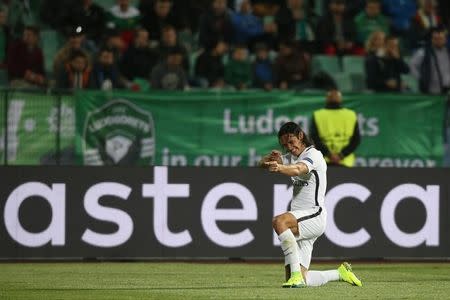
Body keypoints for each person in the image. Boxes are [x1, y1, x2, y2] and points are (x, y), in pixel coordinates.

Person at [259, 121, 362, 288]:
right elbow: (262, 165)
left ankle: (296, 277)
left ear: (300, 136)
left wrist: (279, 167)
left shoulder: (313, 154)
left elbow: (298, 169)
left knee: (280, 221)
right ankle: (340, 273)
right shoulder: (291, 157)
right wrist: (270, 160)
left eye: (291, 142)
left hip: (314, 215)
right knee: (303, 278)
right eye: (285, 145)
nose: (289, 147)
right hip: (300, 221)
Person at [310, 89, 360, 167]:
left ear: (327, 99)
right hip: (346, 161)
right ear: (340, 100)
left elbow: (314, 138)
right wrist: (341, 155)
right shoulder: (351, 115)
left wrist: (329, 155)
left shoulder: (318, 115)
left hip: (324, 161)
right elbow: (356, 140)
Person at [410, 26, 450, 94]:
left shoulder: (448, 52)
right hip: (432, 89)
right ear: (432, 39)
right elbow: (412, 65)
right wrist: (421, 79)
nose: (438, 41)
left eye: (441, 38)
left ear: (445, 39)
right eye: (436, 39)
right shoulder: (424, 52)